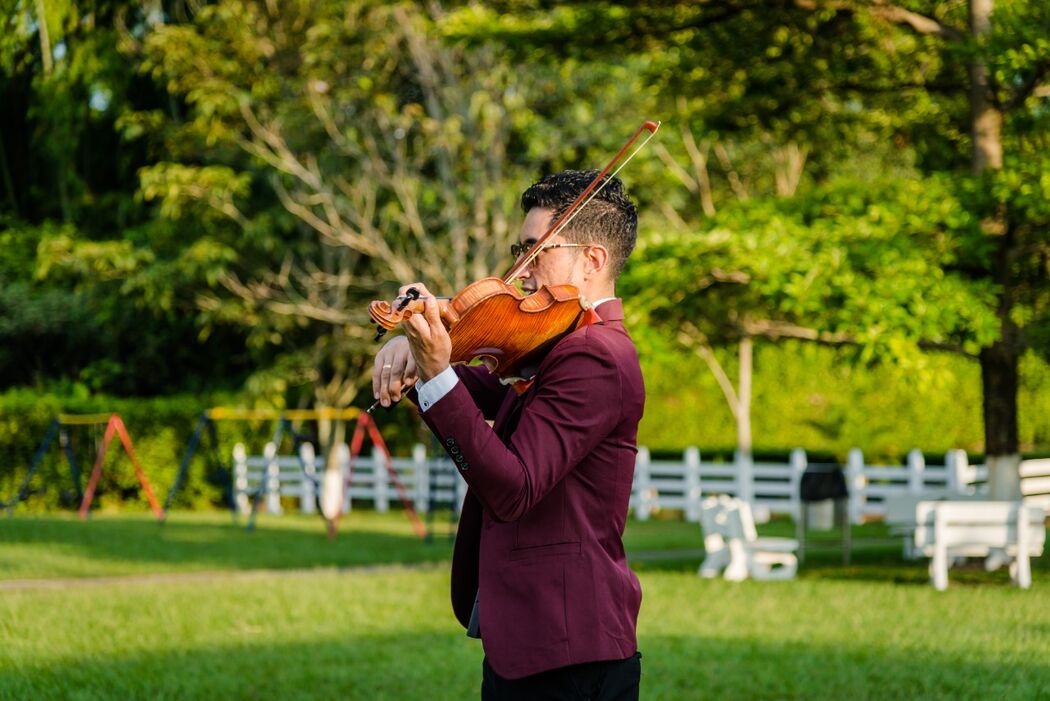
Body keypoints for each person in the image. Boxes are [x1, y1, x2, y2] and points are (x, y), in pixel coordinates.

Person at [372, 170, 645, 700]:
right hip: (537, 646)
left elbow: (513, 487)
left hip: (566, 651)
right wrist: (424, 354)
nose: (520, 272)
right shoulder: (561, 349)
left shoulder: (596, 356)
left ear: (592, 261)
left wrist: (436, 370)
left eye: (535, 250)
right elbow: (493, 396)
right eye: (520, 249)